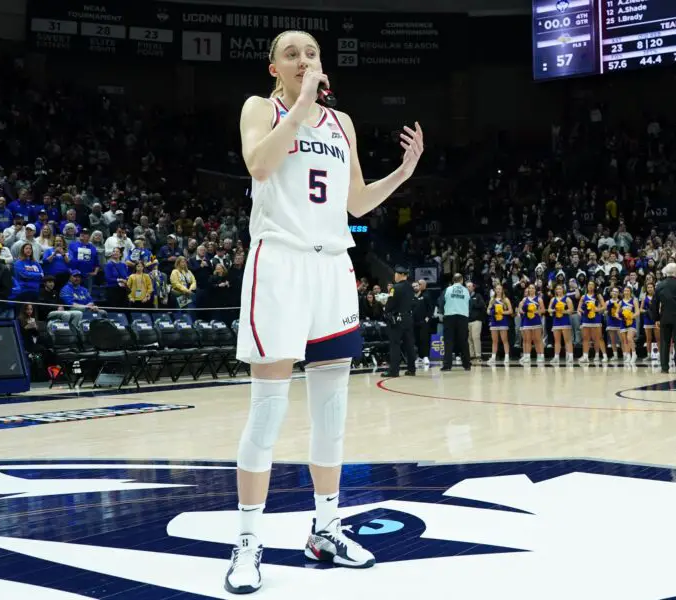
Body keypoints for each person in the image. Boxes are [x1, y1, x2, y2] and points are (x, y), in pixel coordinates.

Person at [229, 29, 424, 594]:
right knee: (267, 413)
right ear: (274, 69)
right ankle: (247, 543)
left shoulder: (343, 126)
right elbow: (259, 166)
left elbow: (356, 202)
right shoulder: (259, 108)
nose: (304, 60)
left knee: (332, 415)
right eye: (291, 54)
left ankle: (326, 528)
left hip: (332, 267)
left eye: (311, 53)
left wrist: (403, 175)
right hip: (280, 263)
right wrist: (302, 107)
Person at [652, 263, 676, 374]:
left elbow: (654, 303)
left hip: (665, 317)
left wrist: (656, 318)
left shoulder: (659, 285)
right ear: (675, 272)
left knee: (665, 342)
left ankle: (664, 367)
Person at [383, 265, 417, 377]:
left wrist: (385, 305)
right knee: (409, 345)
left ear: (401, 275)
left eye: (396, 274)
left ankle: (394, 371)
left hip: (397, 320)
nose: (395, 276)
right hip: (408, 318)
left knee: (395, 345)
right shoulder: (410, 288)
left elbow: (389, 305)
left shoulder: (395, 288)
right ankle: (412, 369)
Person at [441, 273, 471, 371]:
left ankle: (447, 365)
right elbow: (469, 304)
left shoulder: (448, 289)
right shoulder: (466, 290)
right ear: (462, 280)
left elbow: (441, 302)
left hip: (449, 316)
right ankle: (467, 364)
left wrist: (443, 312)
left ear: (453, 280)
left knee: (448, 341)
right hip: (462, 317)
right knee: (463, 341)